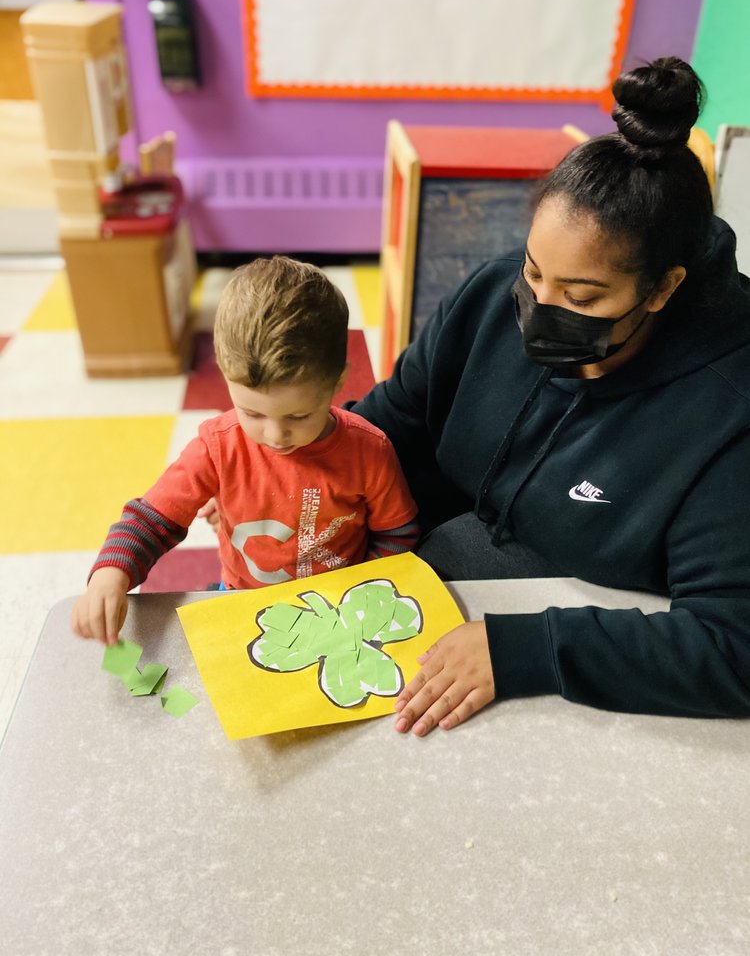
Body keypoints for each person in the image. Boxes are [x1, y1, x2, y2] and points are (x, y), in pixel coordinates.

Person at [349, 56, 750, 732]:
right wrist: (298, 472)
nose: (539, 306)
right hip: (440, 587)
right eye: (535, 272)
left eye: (581, 296)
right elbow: (384, 430)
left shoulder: (726, 414)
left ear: (661, 288)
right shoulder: (489, 299)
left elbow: (733, 648)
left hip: (590, 657)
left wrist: (524, 650)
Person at [71, 256, 418, 646]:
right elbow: (153, 520)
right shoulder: (217, 446)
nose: (275, 435)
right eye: (252, 412)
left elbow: (397, 534)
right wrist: (110, 575)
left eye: (300, 415)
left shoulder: (369, 451)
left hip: (339, 609)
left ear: (338, 381)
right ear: (222, 371)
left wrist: (363, 598)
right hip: (243, 600)